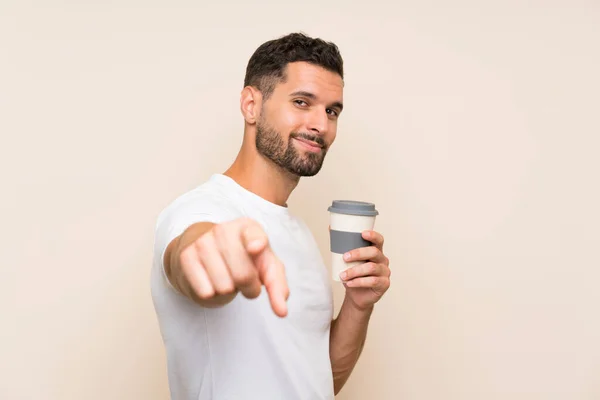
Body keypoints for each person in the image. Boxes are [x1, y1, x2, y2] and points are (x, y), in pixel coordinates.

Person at [151, 32, 391, 400]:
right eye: (301, 102)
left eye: (331, 111)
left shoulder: (302, 235)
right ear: (251, 105)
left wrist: (359, 304)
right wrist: (204, 252)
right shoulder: (201, 209)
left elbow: (317, 381)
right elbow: (189, 250)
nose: (321, 125)